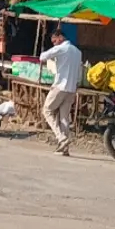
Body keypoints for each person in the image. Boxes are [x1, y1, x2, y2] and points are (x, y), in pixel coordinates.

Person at [39, 22, 83, 155]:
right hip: (71, 88)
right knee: (64, 117)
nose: (54, 44)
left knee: (47, 111)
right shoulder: (77, 52)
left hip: (60, 86)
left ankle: (61, 137)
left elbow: (43, 57)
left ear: (60, 37)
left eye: (54, 41)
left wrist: (52, 54)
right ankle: (65, 149)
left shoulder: (62, 48)